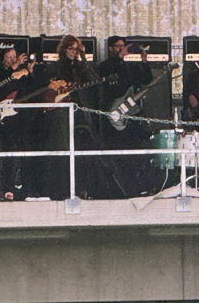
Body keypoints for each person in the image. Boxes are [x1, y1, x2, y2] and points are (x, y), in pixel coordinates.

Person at [35, 35, 99, 199]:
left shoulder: (79, 66)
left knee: (81, 148)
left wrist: (83, 58)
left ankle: (80, 188)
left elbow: (93, 80)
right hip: (61, 112)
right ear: (64, 49)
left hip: (78, 111)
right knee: (62, 148)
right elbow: (45, 87)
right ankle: (60, 189)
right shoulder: (55, 67)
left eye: (76, 49)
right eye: (71, 48)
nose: (74, 52)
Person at [98, 36, 155, 197]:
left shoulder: (129, 67)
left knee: (134, 152)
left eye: (123, 46)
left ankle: (138, 187)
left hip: (128, 117)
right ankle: (119, 190)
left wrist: (144, 61)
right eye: (118, 46)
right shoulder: (105, 66)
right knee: (117, 155)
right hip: (112, 117)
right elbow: (110, 86)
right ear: (110, 48)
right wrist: (120, 58)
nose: (121, 49)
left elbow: (146, 80)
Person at [0, 47, 34, 200]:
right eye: (9, 57)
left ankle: (22, 186)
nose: (13, 59)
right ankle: (7, 187)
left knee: (23, 151)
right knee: (8, 152)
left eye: (15, 56)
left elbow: (30, 88)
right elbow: (0, 87)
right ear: (3, 59)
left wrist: (30, 70)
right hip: (5, 119)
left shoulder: (22, 73)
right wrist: (14, 68)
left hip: (21, 117)